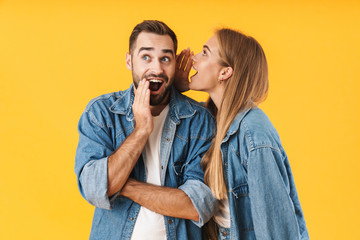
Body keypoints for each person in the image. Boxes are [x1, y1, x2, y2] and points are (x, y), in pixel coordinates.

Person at [74, 20, 217, 240]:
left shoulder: (199, 120)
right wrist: (141, 131)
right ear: (129, 61)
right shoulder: (101, 113)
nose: (157, 68)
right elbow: (93, 190)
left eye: (165, 59)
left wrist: (117, 184)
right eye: (146, 57)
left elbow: (198, 205)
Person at [175, 29, 309, 239]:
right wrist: (175, 89)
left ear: (224, 73)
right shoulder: (215, 120)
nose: (193, 58)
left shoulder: (253, 133)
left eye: (205, 52)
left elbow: (276, 229)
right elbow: (182, 117)